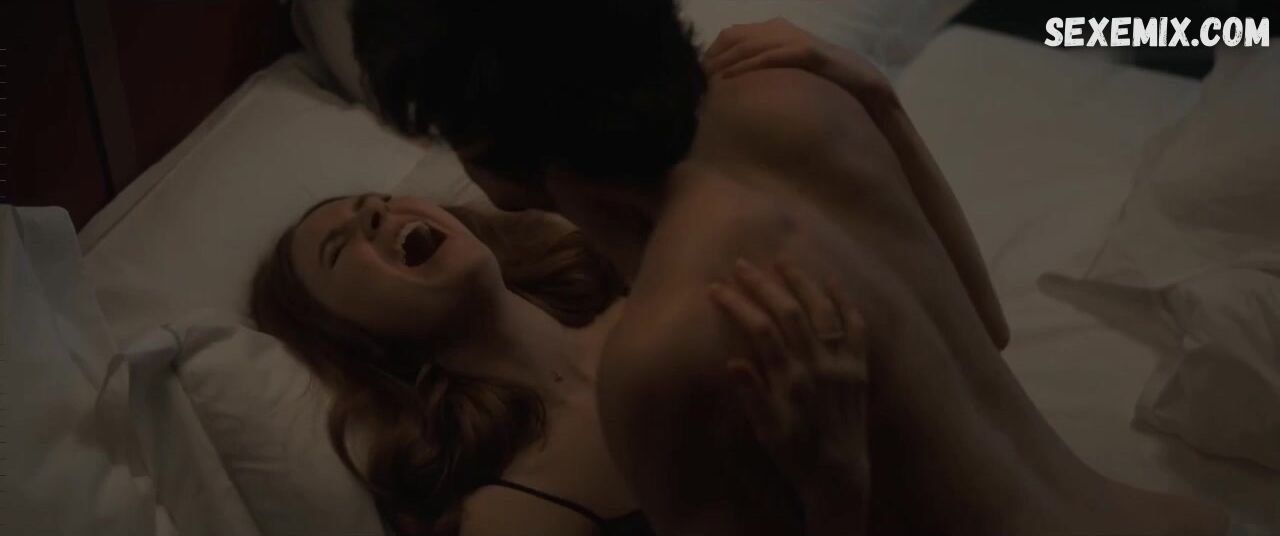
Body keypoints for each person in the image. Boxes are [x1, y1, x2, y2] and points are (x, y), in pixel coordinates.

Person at [351, 3, 1234, 534]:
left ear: (486, 151)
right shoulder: (794, 96)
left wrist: (834, 479)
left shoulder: (660, 350)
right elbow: (987, 330)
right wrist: (877, 99)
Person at [251, 195, 649, 536]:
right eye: (337, 251)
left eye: (381, 199)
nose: (375, 211)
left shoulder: (643, 274)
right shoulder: (512, 516)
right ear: (348, 337)